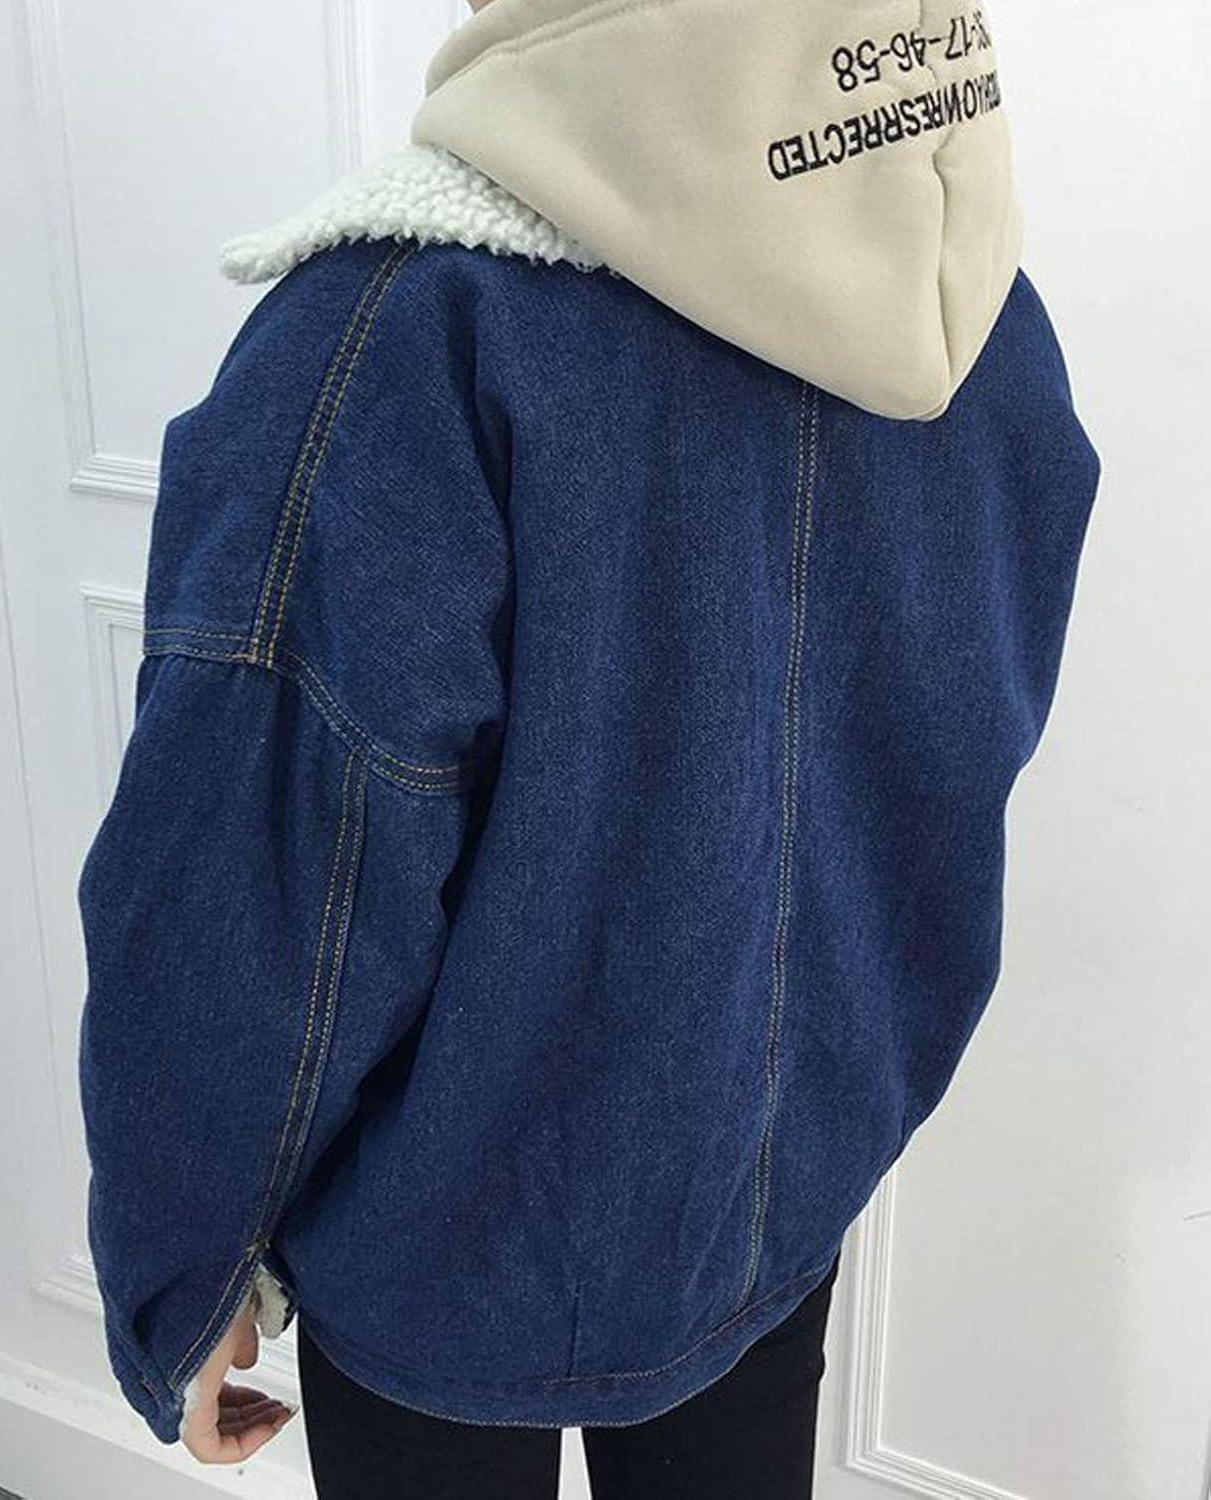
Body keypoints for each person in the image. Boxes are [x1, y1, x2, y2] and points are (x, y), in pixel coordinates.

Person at [75, 0, 1101, 1495]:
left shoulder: (400, 326)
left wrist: (184, 1272)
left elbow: (258, 878)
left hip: (438, 1247)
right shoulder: (970, 308)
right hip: (768, 1207)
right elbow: (954, 747)